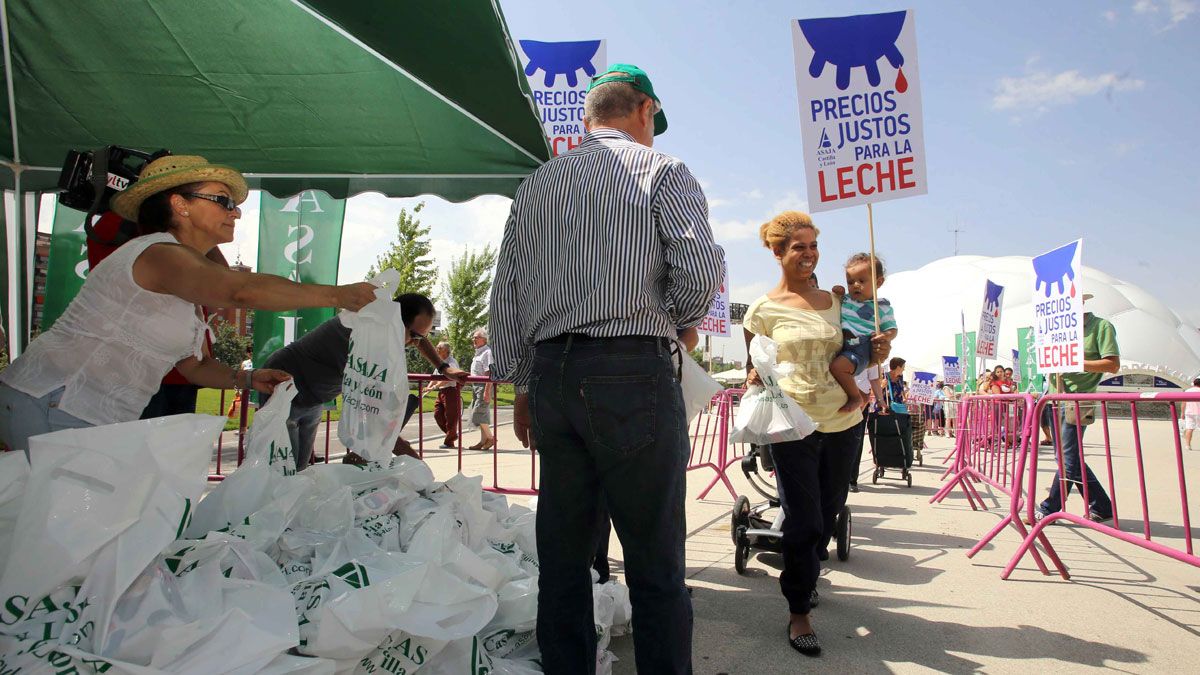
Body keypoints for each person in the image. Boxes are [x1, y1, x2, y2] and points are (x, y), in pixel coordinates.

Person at [489, 62, 723, 675]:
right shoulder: (661, 170)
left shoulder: (538, 183)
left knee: (564, 558)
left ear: (589, 118)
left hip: (554, 374)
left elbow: (508, 289)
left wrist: (520, 382)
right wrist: (674, 319)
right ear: (645, 111)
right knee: (654, 562)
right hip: (629, 370)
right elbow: (698, 272)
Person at [0, 155, 377, 455]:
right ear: (179, 204)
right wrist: (338, 294)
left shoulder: (181, 271)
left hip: (85, 410)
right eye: (222, 201)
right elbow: (239, 291)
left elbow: (193, 365)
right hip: (58, 398)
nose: (236, 211)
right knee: (77, 538)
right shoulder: (157, 254)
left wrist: (245, 379)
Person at [744, 211, 890, 658]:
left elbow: (859, 350)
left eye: (813, 246)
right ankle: (798, 609)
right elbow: (756, 364)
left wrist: (878, 352)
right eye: (798, 247)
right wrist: (754, 379)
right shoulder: (761, 310)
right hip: (793, 426)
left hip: (844, 423)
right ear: (777, 253)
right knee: (803, 520)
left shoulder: (838, 302)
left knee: (827, 516)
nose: (809, 255)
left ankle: (807, 571)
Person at [261, 293, 468, 470]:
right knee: (284, 471)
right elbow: (378, 423)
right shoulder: (363, 338)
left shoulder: (385, 326)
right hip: (283, 386)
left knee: (299, 469)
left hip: (314, 396)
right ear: (395, 320)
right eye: (413, 336)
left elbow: (418, 337)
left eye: (420, 338)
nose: (414, 343)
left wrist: (443, 367)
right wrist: (420, 467)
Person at [1033, 296, 1119, 523]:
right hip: (1054, 398)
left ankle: (1051, 506)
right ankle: (1101, 505)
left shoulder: (1100, 327)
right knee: (1066, 458)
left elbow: (1112, 364)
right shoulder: (1056, 331)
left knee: (1068, 459)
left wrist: (1074, 361)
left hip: (1077, 402)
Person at [830, 253, 897, 413]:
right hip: (844, 345)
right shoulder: (846, 300)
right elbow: (836, 299)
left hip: (860, 348)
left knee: (837, 368)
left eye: (861, 281)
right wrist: (837, 292)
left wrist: (886, 336)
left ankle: (856, 397)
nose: (855, 285)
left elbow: (892, 329)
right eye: (850, 282)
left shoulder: (882, 307)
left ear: (878, 282)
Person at [848, 364, 883, 493]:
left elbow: (874, 379)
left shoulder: (872, 352)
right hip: (841, 398)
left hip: (862, 403)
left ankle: (851, 479)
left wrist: (880, 400)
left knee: (856, 441)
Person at [424, 342, 463, 449]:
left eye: (439, 347)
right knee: (437, 415)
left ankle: (449, 440)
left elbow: (448, 378)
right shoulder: (439, 362)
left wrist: (434, 387)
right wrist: (429, 387)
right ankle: (452, 435)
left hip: (450, 391)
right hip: (442, 392)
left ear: (446, 350)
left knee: (451, 417)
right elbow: (434, 376)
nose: (437, 348)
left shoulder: (451, 363)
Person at [467, 328, 495, 450]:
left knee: (477, 413)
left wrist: (487, 390)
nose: (473, 339)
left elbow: (489, 373)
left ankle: (491, 438)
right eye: (473, 337)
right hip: (476, 386)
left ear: (484, 339)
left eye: (476, 337)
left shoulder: (487, 352)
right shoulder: (479, 353)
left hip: (483, 386)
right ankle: (483, 441)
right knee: (482, 414)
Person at [1184, 377, 1200, 451]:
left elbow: (1183, 402)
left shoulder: (1187, 391)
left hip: (1189, 412)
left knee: (1189, 429)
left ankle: (1187, 445)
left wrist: (1182, 413)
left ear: (1194, 383)